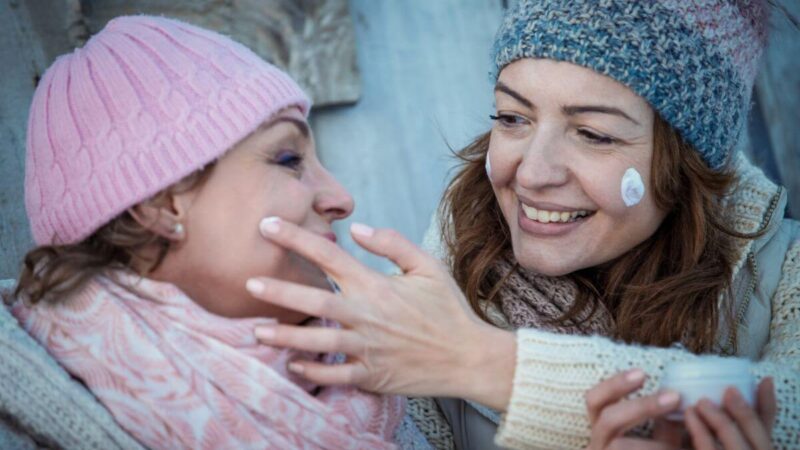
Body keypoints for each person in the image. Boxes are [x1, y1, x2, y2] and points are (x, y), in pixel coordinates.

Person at [243, 1, 800, 449]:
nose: (531, 173)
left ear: (685, 162)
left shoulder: (783, 272)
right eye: (513, 118)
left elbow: (786, 409)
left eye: (594, 134)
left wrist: (473, 359)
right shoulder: (444, 273)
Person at [7, 15, 428, 450]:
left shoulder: (400, 373)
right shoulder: (24, 424)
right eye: (289, 159)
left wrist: (470, 365)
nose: (341, 199)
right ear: (160, 206)